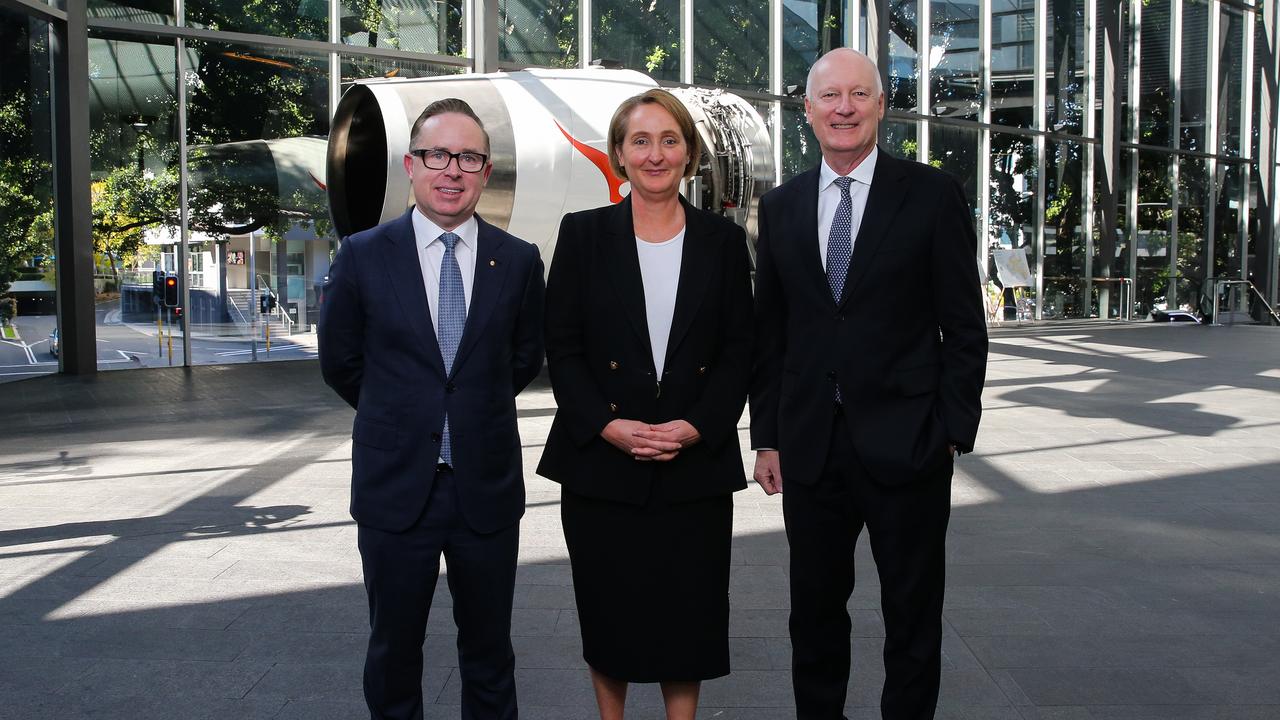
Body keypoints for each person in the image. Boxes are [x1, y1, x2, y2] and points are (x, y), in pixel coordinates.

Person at [749, 49, 988, 720]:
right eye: (830, 96)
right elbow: (770, 333)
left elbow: (964, 328)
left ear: (882, 105)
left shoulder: (932, 195)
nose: (844, 108)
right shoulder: (781, 205)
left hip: (909, 445)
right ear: (809, 110)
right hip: (810, 447)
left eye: (859, 94)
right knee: (814, 616)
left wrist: (950, 433)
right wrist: (766, 436)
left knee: (912, 616)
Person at [318, 97, 545, 720]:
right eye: (438, 155)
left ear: (486, 169)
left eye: (468, 157)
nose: (453, 170)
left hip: (486, 490)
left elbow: (522, 359)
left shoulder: (519, 261)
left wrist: (466, 408)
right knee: (393, 652)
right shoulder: (363, 255)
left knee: (490, 653)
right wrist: (404, 414)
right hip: (395, 491)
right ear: (411, 165)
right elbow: (340, 362)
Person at [537, 88, 754, 720]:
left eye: (669, 140)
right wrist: (605, 426)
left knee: (690, 616)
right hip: (603, 463)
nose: (655, 154)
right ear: (618, 155)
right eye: (640, 141)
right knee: (609, 613)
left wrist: (698, 426)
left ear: (688, 154)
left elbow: (741, 349)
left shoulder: (721, 239)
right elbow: (564, 346)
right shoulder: (582, 235)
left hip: (694, 464)